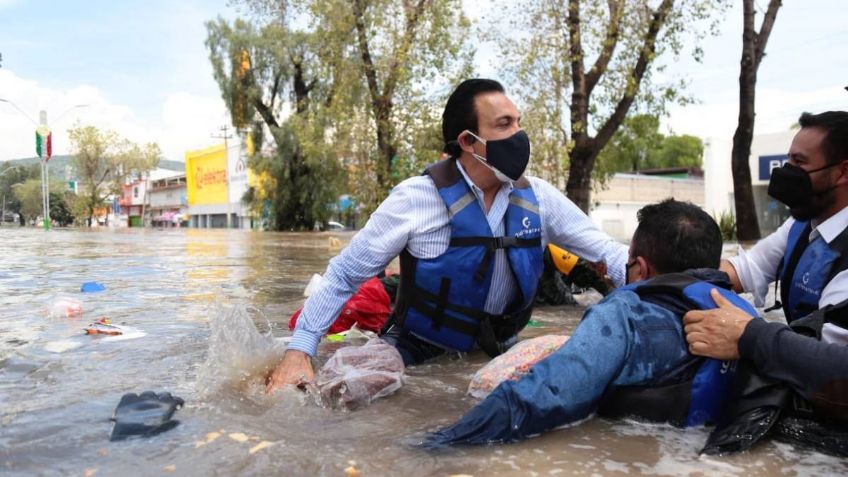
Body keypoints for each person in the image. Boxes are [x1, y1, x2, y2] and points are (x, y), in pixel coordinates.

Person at [266, 78, 628, 392]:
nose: (519, 136)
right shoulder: (414, 199)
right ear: (469, 141)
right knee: (350, 387)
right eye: (504, 125)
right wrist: (299, 351)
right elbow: (344, 275)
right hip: (415, 347)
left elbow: (609, 254)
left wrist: (676, 293)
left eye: (519, 123)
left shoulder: (540, 198)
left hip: (501, 345)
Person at [427, 199, 759, 446]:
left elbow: (545, 394)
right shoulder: (743, 316)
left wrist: (439, 442)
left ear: (640, 268)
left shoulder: (625, 314)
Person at [682, 111, 848, 455]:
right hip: (799, 376)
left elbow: (837, 369)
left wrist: (748, 336)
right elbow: (743, 269)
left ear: (843, 172)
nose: (787, 172)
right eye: (787, 159)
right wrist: (673, 273)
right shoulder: (802, 226)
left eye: (799, 163)